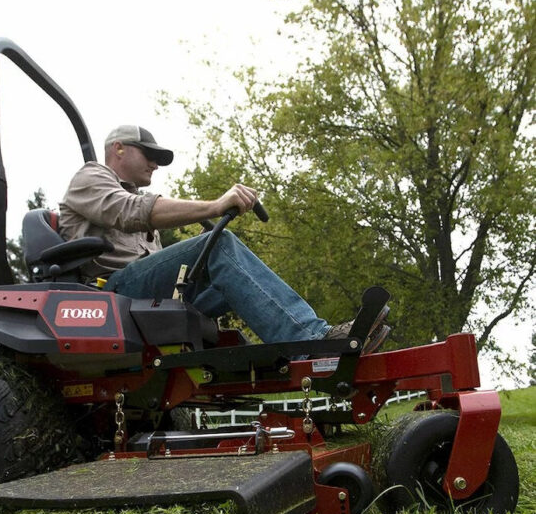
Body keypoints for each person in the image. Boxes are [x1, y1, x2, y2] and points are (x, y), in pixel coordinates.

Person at [59, 124, 389, 351]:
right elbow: (131, 211)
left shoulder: (138, 196)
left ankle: (273, 361)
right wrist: (215, 207)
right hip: (111, 295)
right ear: (118, 148)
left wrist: (209, 219)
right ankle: (313, 340)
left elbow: (143, 215)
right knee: (220, 246)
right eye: (148, 154)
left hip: (145, 297)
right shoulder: (91, 177)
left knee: (226, 273)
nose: (155, 164)